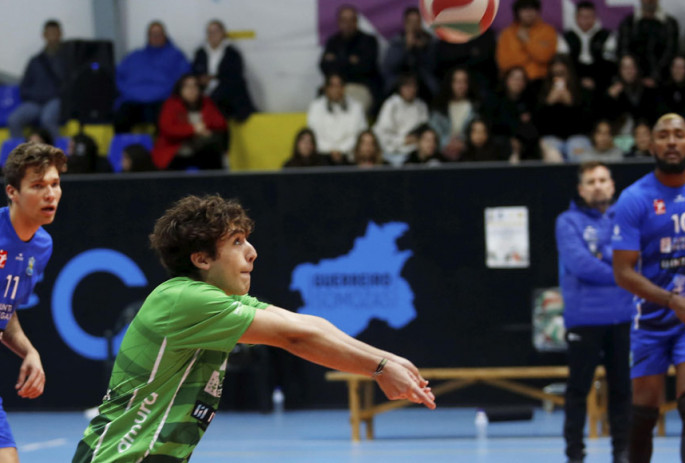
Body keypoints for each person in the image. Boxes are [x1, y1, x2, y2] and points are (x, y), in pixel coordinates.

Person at [71, 194, 436, 461]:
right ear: (201, 259)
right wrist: (380, 369)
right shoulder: (185, 300)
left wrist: (388, 359)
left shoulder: (215, 299)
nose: (252, 251)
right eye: (236, 242)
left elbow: (304, 323)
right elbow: (294, 337)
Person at [612, 113, 685, 463]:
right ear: (651, 145)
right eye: (663, 135)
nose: (672, 141)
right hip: (651, 318)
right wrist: (671, 300)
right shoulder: (634, 198)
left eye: (679, 134)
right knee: (644, 416)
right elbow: (622, 271)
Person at [556, 161, 633, 463]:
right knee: (578, 389)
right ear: (581, 189)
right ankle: (575, 454)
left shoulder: (626, 218)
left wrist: (607, 257)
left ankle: (622, 452)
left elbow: (635, 257)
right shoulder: (567, 221)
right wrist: (622, 270)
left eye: (603, 179)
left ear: (612, 185)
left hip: (623, 316)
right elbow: (580, 265)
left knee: (623, 389)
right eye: (591, 181)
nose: (598, 185)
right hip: (584, 318)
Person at [0, 142, 66, 463]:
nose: (50, 194)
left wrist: (30, 351)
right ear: (13, 191)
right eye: (38, 186)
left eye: (54, 184)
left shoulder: (42, 246)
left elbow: (4, 311)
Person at [114, 21, 191, 133]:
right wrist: (128, 92)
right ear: (148, 36)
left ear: (165, 35)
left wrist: (166, 92)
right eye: (152, 34)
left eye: (158, 34)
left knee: (165, 120)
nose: (155, 37)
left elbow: (184, 78)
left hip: (162, 100)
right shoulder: (134, 56)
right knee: (120, 118)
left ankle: (161, 150)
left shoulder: (176, 55)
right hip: (132, 100)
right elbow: (118, 76)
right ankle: (125, 149)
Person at [153, 74, 227, 170]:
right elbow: (168, 129)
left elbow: (221, 123)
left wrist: (203, 127)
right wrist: (194, 129)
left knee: (213, 150)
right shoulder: (171, 104)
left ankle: (216, 182)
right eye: (187, 86)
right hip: (176, 150)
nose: (191, 89)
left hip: (201, 149)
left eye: (195, 86)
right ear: (180, 89)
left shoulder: (206, 102)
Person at [319, 4, 382, 115]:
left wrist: (337, 62)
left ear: (356, 21)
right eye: (344, 20)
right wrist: (350, 61)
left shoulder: (368, 41)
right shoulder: (333, 41)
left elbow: (366, 67)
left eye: (351, 20)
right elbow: (324, 66)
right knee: (321, 110)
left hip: (360, 87)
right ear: (339, 22)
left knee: (353, 112)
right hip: (335, 87)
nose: (347, 24)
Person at [8, 20, 65, 139]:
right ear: (44, 35)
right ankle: (22, 155)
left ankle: (59, 153)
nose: (52, 37)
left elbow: (68, 86)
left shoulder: (66, 59)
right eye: (49, 33)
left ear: (60, 34)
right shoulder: (35, 61)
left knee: (47, 118)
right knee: (14, 120)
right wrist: (33, 96)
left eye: (55, 33)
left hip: (55, 100)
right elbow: (24, 86)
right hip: (34, 103)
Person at [192, 19, 257, 122]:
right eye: (210, 32)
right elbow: (194, 72)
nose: (213, 35)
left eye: (216, 31)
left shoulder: (232, 54)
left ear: (223, 33)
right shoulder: (200, 53)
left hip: (224, 93)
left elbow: (235, 76)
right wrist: (201, 79)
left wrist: (214, 78)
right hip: (204, 91)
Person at [534, 55, 592, 161]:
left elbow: (587, 122)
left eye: (562, 73)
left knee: (577, 152)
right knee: (553, 156)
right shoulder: (541, 90)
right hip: (550, 137)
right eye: (556, 74)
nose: (559, 78)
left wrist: (571, 104)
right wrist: (548, 103)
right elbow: (537, 122)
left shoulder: (581, 90)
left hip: (577, 136)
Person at [306, 72, 367, 166]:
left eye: (339, 86)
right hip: (323, 155)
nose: (336, 89)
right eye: (332, 86)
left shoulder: (356, 107)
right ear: (326, 88)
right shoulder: (315, 107)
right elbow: (314, 135)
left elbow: (360, 134)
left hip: (349, 155)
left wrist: (341, 150)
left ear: (344, 88)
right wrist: (331, 150)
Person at [558, 1, 617, 92]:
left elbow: (609, 64)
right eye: (582, 16)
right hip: (574, 81)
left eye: (589, 16)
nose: (586, 20)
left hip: (600, 81)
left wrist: (596, 81)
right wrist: (579, 81)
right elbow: (563, 64)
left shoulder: (606, 36)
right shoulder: (567, 38)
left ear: (595, 17)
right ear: (576, 17)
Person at [617, 0, 679, 86]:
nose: (649, 1)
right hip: (633, 83)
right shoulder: (628, 23)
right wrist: (637, 78)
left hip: (663, 82)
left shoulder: (670, 24)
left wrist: (655, 77)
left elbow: (671, 52)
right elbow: (624, 51)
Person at [382, 7, 437, 102]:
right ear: (405, 23)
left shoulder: (430, 41)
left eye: (417, 22)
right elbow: (389, 66)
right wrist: (407, 48)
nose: (414, 26)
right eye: (411, 22)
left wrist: (423, 50)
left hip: (423, 82)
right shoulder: (397, 41)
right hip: (399, 81)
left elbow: (434, 67)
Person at [373, 73, 429, 166]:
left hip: (414, 153)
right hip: (391, 153)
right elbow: (383, 134)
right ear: (400, 88)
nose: (411, 90)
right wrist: (403, 141)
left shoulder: (421, 106)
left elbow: (424, 130)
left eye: (413, 86)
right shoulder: (391, 105)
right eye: (407, 86)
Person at [496, 0, 558, 83]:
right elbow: (504, 63)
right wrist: (530, 57)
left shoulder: (548, 31)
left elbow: (545, 57)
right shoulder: (507, 34)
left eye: (532, 9)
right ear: (517, 13)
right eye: (524, 9)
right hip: (513, 81)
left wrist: (527, 41)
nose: (529, 13)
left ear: (537, 11)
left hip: (539, 80)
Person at [428, 67, 480, 162]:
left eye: (464, 82)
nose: (460, 85)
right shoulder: (440, 106)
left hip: (468, 153)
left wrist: (463, 143)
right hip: (441, 152)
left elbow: (478, 131)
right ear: (450, 83)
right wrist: (446, 142)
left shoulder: (476, 107)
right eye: (457, 82)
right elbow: (434, 128)